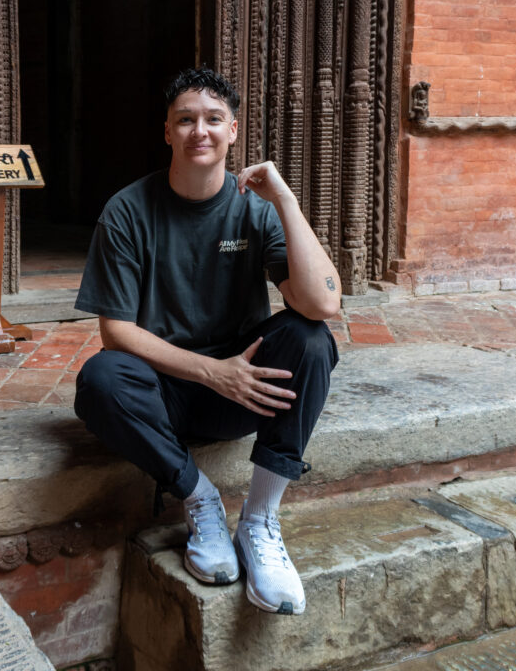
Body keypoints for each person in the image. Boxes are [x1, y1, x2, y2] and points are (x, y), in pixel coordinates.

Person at [74, 67, 341, 615]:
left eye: (213, 119)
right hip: (165, 397)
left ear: (233, 131)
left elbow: (322, 304)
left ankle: (261, 519)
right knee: (100, 379)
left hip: (243, 393)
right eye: (186, 120)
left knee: (310, 338)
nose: (201, 130)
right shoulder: (127, 210)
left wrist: (286, 201)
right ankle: (201, 501)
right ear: (167, 132)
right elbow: (116, 331)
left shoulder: (255, 210)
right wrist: (210, 369)